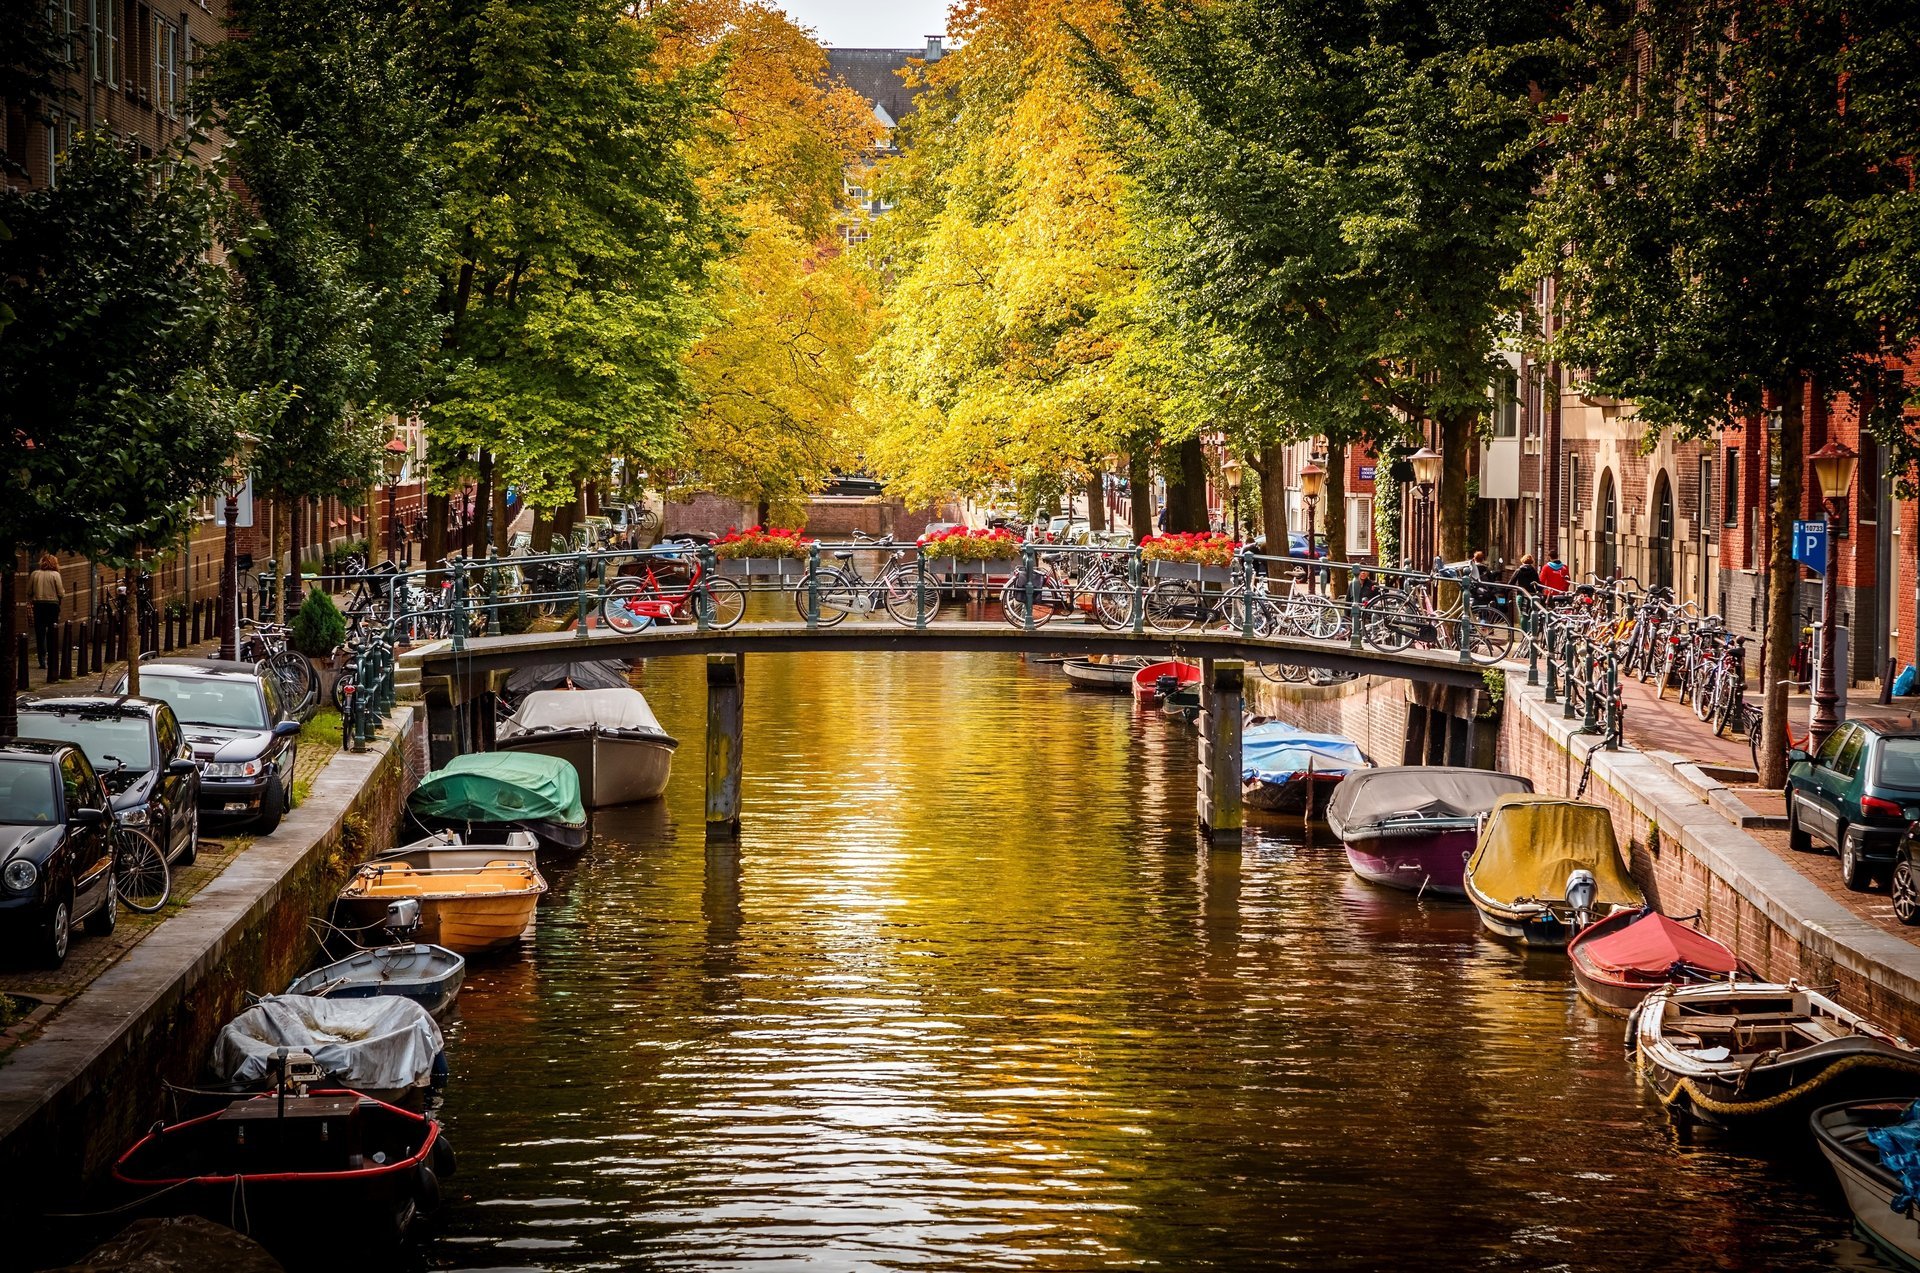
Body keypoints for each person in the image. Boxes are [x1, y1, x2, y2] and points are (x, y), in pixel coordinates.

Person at [28, 553, 63, 672]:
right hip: (52, 605)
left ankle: (42, 660)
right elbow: (60, 592)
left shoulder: (34, 574)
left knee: (40, 632)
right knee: (52, 631)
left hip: (38, 605)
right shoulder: (56, 575)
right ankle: (51, 658)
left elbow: (29, 591)